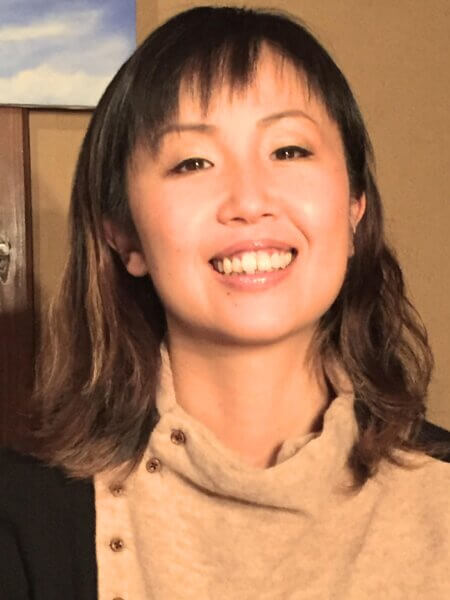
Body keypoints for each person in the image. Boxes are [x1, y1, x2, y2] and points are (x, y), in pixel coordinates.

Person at [1, 5, 449, 599]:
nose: (249, 201)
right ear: (125, 235)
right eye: (193, 162)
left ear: (354, 209)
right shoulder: (22, 519)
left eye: (289, 151)